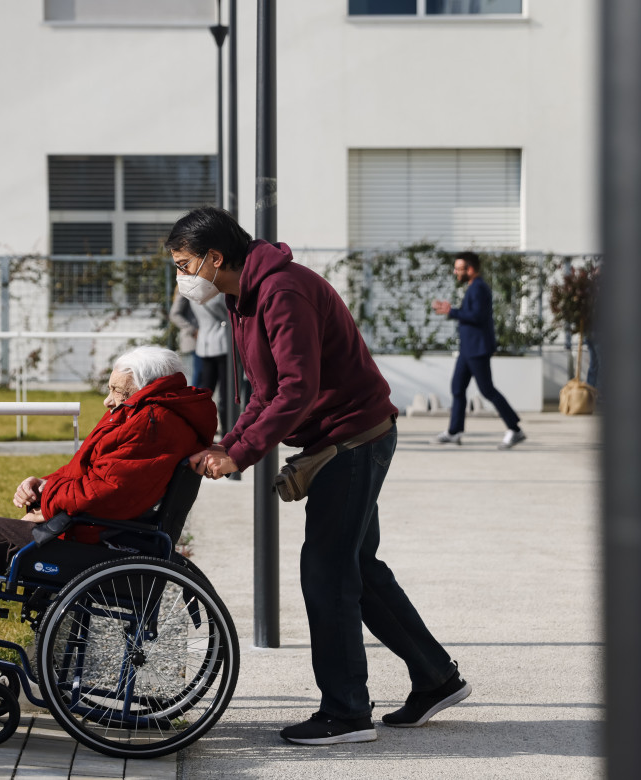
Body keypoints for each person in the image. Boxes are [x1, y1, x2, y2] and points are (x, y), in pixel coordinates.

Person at [166, 206, 470, 746]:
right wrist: (230, 445)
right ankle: (436, 677)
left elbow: (297, 389)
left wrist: (243, 454)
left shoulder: (282, 291)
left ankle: (347, 712)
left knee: (326, 571)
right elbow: (265, 390)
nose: (182, 277)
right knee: (358, 567)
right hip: (342, 438)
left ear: (215, 258)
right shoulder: (245, 297)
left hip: (353, 440)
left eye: (185, 264)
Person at [0, 346, 217, 697]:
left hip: (96, 544)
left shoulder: (151, 423)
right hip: (98, 534)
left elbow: (104, 493)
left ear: (146, 387)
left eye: (116, 391)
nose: (108, 400)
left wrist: (48, 502)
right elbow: (86, 473)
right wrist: (43, 483)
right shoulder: (151, 414)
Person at [431, 251, 526, 449]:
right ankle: (454, 432)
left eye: (458, 268)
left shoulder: (479, 288)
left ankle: (515, 429)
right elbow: (471, 314)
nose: (455, 272)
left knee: (487, 390)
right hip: (468, 349)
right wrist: (453, 311)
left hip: (477, 349)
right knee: (457, 388)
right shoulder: (473, 287)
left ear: (470, 269)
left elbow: (477, 316)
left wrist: (451, 311)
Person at [170, 290, 231, 435]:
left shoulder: (195, 292)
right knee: (224, 394)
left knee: (204, 391)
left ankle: (200, 430)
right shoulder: (218, 292)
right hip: (222, 342)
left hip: (204, 344)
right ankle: (226, 431)